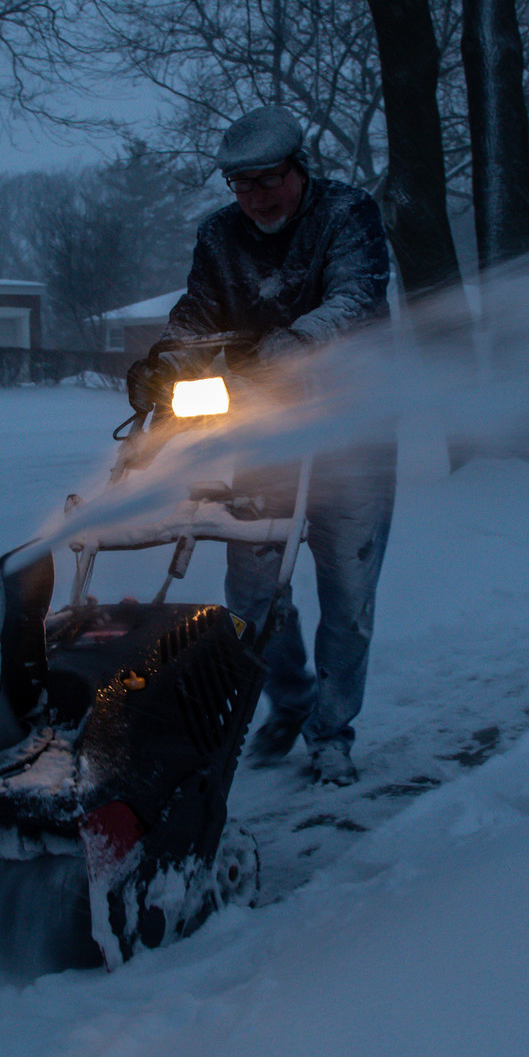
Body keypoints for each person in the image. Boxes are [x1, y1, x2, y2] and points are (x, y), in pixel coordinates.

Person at [125, 107, 395, 787]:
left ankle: (331, 729)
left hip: (352, 429)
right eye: (241, 185)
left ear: (299, 169)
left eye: (268, 181)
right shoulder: (219, 235)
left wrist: (290, 346)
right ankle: (292, 699)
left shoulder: (348, 215)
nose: (256, 198)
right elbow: (197, 313)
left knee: (348, 593)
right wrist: (167, 361)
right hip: (266, 431)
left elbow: (356, 301)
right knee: (252, 592)